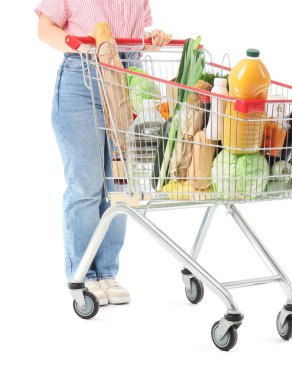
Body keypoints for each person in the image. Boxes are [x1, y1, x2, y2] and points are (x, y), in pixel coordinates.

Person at [36, 0, 172, 306]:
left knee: (120, 187)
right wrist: (77, 44)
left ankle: (107, 272)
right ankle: (84, 275)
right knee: (86, 185)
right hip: (83, 79)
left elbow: (135, 37)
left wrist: (152, 39)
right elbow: (45, 28)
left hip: (129, 81)